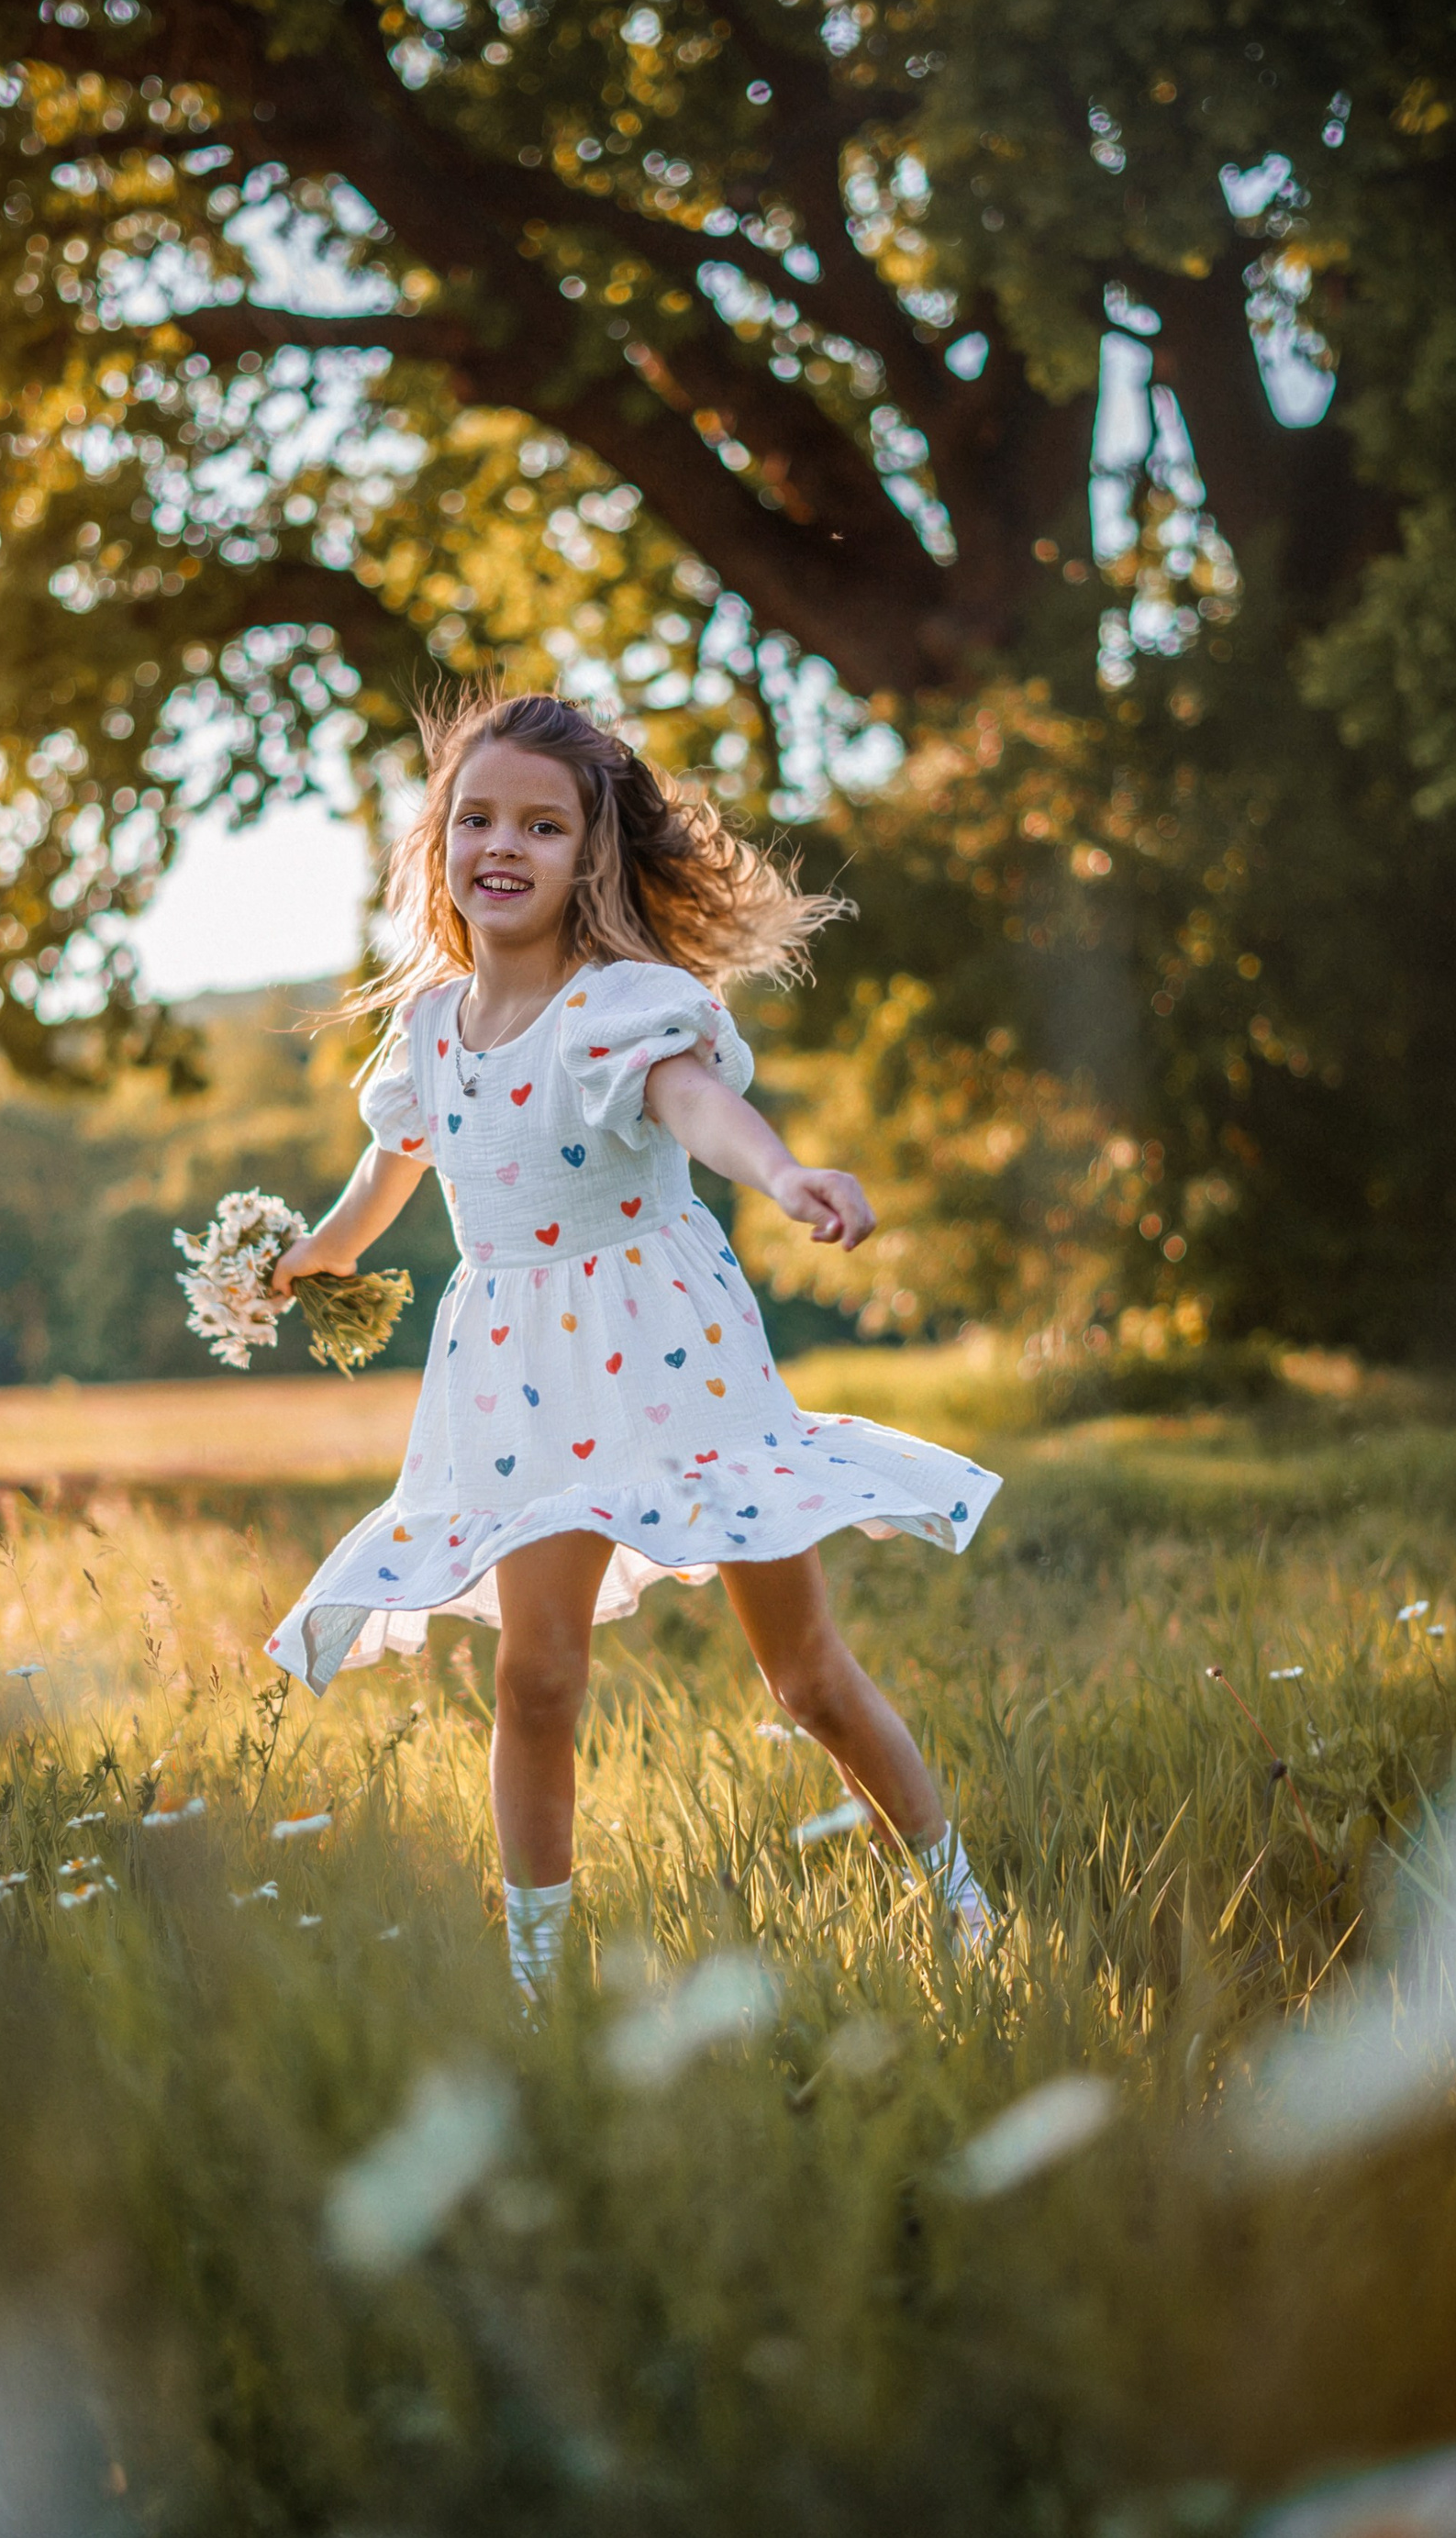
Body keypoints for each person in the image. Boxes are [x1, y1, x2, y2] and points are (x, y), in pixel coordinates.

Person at [267, 693, 1003, 1995]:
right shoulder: (430, 1031)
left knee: (807, 1677)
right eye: (477, 818)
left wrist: (781, 1174)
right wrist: (318, 1256)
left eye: (541, 826)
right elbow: (391, 1168)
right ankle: (539, 1981)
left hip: (672, 1352)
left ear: (587, 857)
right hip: (515, 1373)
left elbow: (696, 1104)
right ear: (438, 843)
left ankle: (960, 1900)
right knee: (535, 1675)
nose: (505, 844)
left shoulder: (618, 1006)